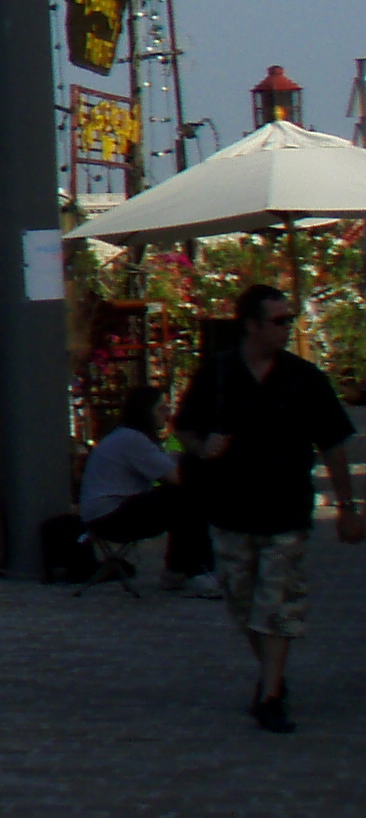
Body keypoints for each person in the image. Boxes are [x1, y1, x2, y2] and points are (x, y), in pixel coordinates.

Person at [175, 284, 363, 734]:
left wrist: (347, 506)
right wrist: (203, 446)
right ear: (252, 325)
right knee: (244, 605)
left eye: (289, 319)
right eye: (278, 321)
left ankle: (272, 693)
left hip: (286, 510)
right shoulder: (217, 373)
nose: (286, 328)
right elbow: (183, 426)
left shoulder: (305, 378)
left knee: (276, 605)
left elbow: (335, 444)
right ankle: (272, 676)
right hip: (230, 509)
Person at [76, 383, 216, 593]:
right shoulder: (133, 439)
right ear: (145, 411)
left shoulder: (125, 436)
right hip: (111, 516)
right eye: (161, 409)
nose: (167, 414)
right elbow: (175, 477)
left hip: (105, 514)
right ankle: (192, 570)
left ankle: (178, 569)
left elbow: (162, 466)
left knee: (182, 499)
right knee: (187, 498)